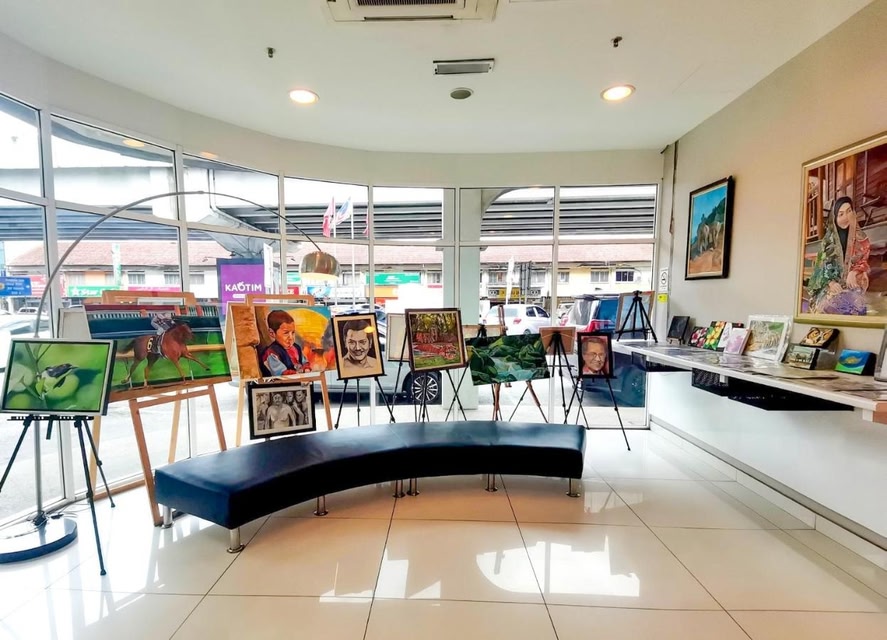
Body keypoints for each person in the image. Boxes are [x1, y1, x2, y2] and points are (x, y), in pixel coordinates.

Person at [807, 196, 871, 315]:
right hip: (830, 285)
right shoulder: (828, 242)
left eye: (849, 211)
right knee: (833, 307)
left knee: (859, 308)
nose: (846, 217)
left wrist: (854, 272)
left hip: (851, 283)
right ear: (835, 218)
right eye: (841, 214)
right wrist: (831, 283)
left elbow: (863, 259)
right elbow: (822, 267)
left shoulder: (861, 237)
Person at [258, 310, 309, 377]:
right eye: (286, 333)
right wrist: (298, 374)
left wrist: (306, 368)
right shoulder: (271, 353)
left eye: (293, 332)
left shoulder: (296, 348)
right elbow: (282, 373)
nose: (291, 337)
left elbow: (305, 362)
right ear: (272, 333)